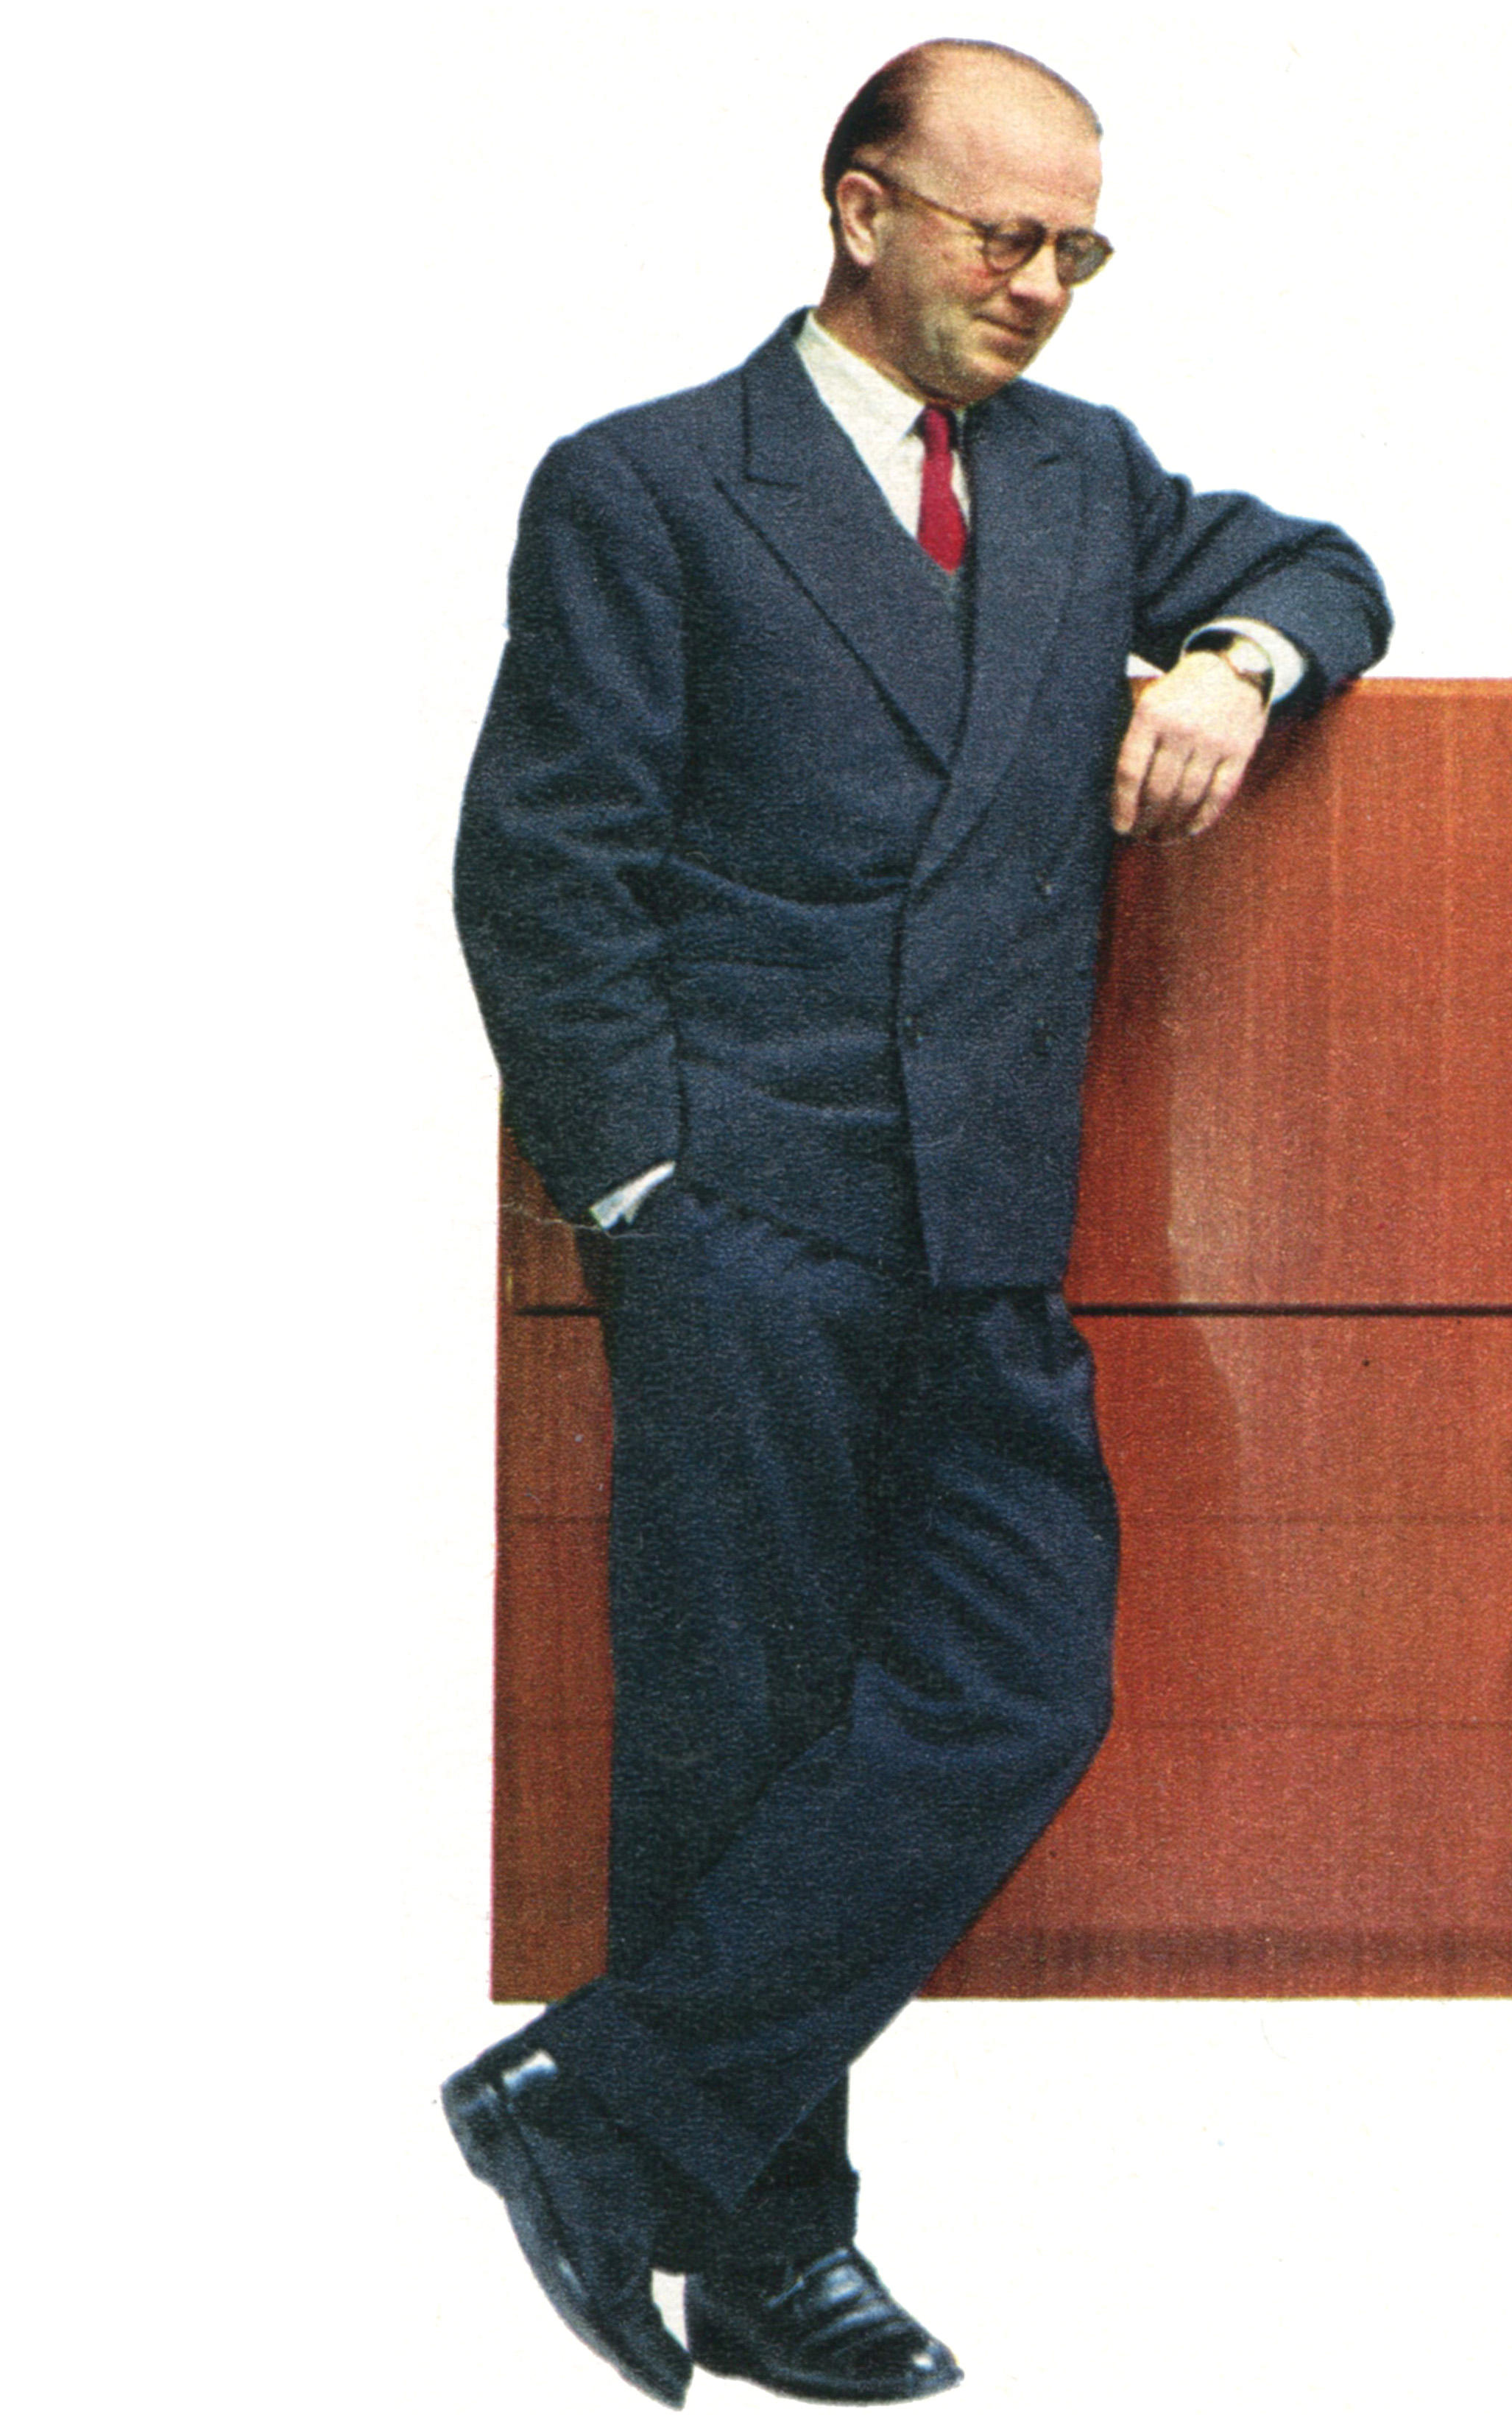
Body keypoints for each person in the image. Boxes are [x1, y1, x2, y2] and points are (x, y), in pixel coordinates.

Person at [445, 38, 1391, 2407]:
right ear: (861, 210)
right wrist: (647, 1191)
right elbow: (543, 872)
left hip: (981, 1210)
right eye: (1005, 235)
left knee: (1017, 1687)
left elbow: (1326, 564)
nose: (1046, 284)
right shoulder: (651, 483)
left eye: (1081, 247)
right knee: (744, 1733)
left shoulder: (1082, 479)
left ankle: (595, 2110)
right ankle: (773, 2259)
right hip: (745, 1210)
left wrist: (1236, 661)